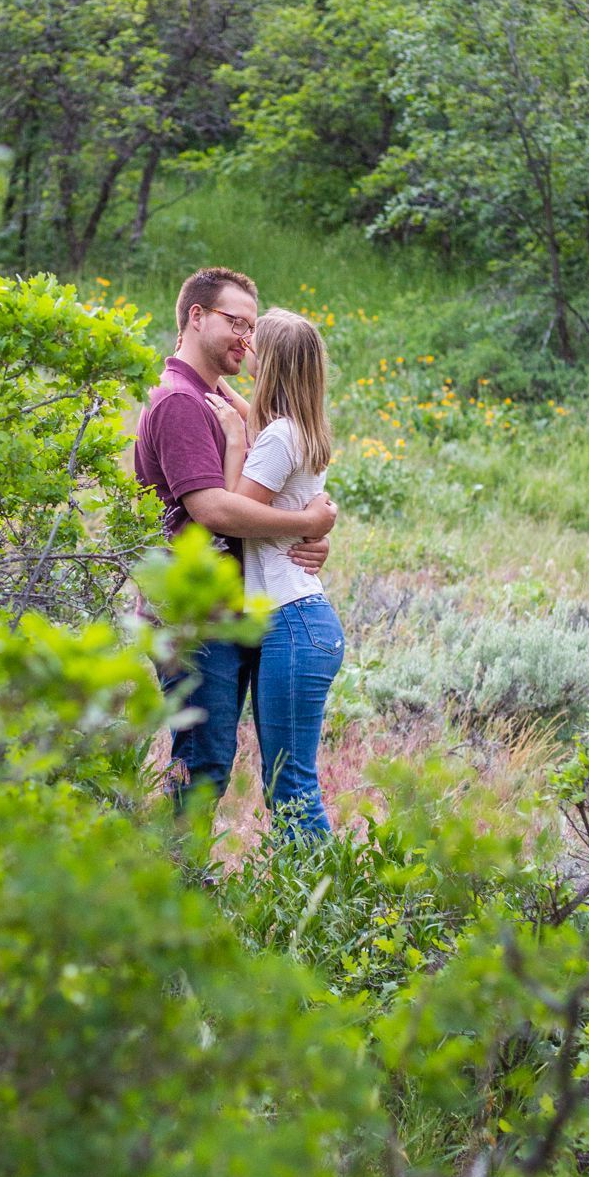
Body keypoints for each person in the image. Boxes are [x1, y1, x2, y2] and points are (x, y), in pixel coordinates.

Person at [133, 267, 336, 805]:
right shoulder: (180, 401)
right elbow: (214, 509)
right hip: (195, 616)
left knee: (219, 765)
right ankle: (174, 880)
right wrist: (308, 525)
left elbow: (284, 473)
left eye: (253, 327)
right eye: (235, 322)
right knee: (202, 765)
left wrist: (315, 528)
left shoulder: (214, 396)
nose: (245, 338)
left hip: (236, 611)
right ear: (195, 317)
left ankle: (183, 878)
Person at [208, 308, 344, 838]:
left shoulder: (277, 438)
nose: (245, 347)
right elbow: (264, 430)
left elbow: (235, 514)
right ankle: (313, 899)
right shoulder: (299, 428)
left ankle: (322, 903)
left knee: (291, 785)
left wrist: (236, 445)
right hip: (300, 621)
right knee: (284, 783)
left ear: (273, 364)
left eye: (254, 344)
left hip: (292, 623)